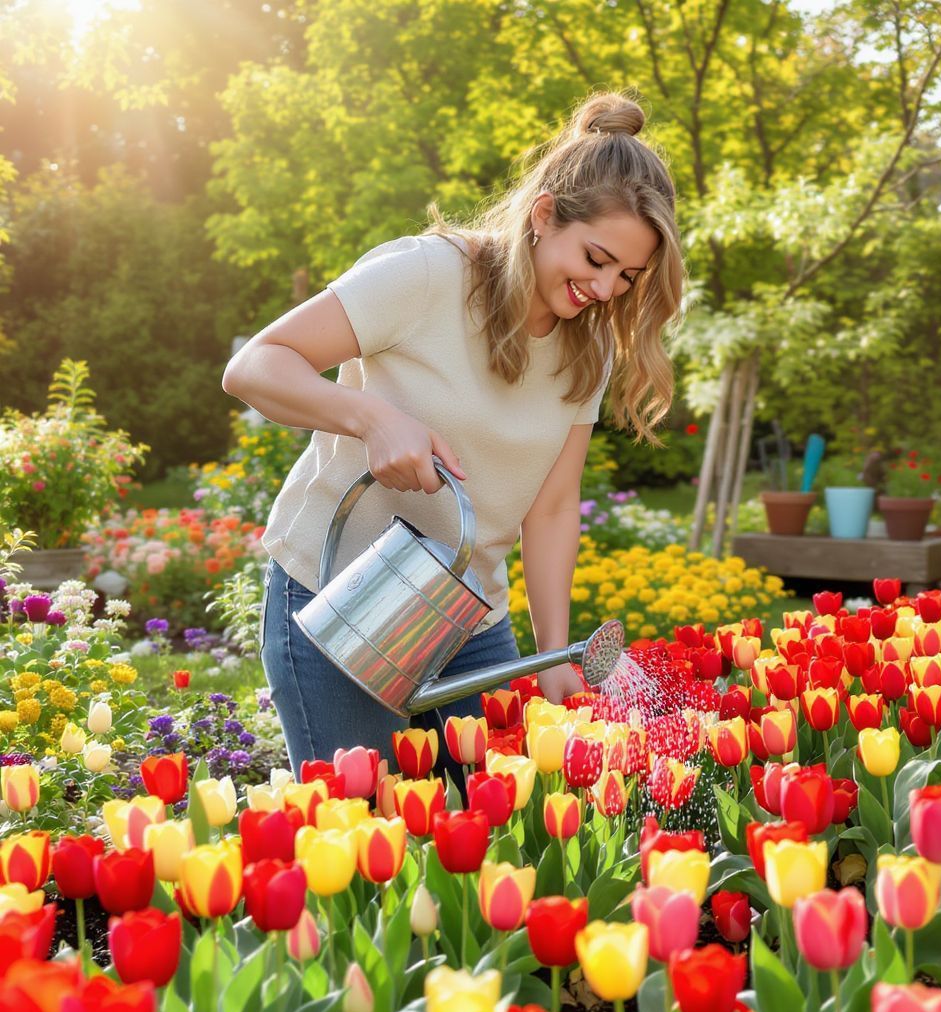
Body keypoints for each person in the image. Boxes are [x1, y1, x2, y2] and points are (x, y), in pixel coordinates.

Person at [221, 91, 685, 777]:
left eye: (627, 275)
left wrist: (554, 653)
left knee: (491, 837)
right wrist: (373, 417)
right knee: (360, 840)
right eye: (595, 258)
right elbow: (253, 367)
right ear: (545, 215)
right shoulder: (429, 275)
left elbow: (553, 507)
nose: (606, 288)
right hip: (338, 597)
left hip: (469, 622)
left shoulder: (590, 346)